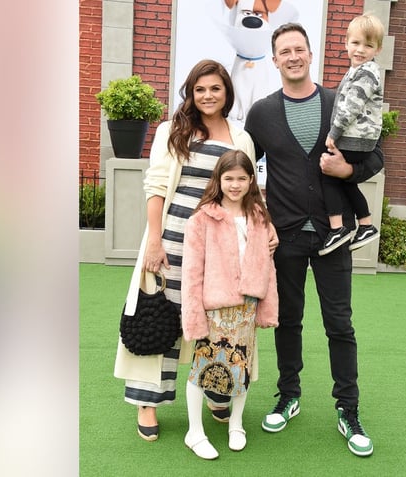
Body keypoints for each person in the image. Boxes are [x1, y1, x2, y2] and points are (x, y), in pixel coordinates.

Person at [244, 22, 384, 457]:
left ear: (310, 54)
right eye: (283, 51)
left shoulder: (337, 101)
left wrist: (349, 172)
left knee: (339, 325)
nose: (292, 56)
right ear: (274, 59)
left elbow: (374, 153)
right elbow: (244, 171)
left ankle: (348, 407)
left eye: (298, 49)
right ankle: (289, 395)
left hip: (334, 236)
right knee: (288, 322)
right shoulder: (262, 113)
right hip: (284, 237)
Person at [113, 59, 271, 442]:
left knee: (221, 319)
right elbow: (155, 186)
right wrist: (154, 239)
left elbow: (249, 189)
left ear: (227, 93)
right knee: (160, 317)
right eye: (200, 89)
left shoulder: (240, 137)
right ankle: (147, 402)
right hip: (172, 237)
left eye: (215, 88)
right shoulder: (173, 130)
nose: (207, 96)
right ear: (190, 92)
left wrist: (265, 226)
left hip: (223, 246)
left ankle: (220, 390)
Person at [180, 149, 278, 459]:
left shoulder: (259, 218)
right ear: (218, 180)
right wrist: (194, 314)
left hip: (247, 305)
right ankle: (194, 431)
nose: (235, 185)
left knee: (242, 366)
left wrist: (268, 305)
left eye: (241, 178)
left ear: (252, 180)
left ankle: (236, 423)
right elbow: (192, 271)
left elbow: (267, 266)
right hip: (214, 306)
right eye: (228, 178)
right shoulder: (202, 218)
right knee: (201, 368)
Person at [319, 13, 385, 256]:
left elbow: (352, 104)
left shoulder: (367, 72)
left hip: (356, 138)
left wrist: (334, 133)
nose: (360, 49)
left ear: (377, 49)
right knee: (344, 181)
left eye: (368, 45)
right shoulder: (357, 69)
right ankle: (365, 224)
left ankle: (338, 228)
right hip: (357, 138)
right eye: (356, 43)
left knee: (327, 174)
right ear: (346, 43)